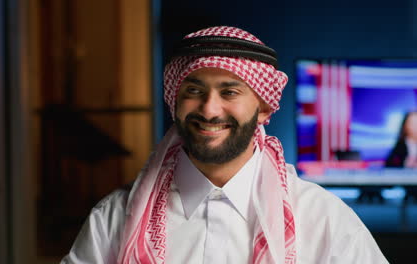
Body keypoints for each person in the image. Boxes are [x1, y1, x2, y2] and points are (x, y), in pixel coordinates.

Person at [61, 26, 388, 263]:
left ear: (263, 108)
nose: (209, 109)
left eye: (229, 92)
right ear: (175, 100)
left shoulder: (322, 218)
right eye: (193, 91)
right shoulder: (115, 217)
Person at [386, 111, 417, 202]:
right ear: (405, 125)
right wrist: (407, 163)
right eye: (412, 123)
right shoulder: (399, 148)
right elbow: (389, 168)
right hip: (404, 190)